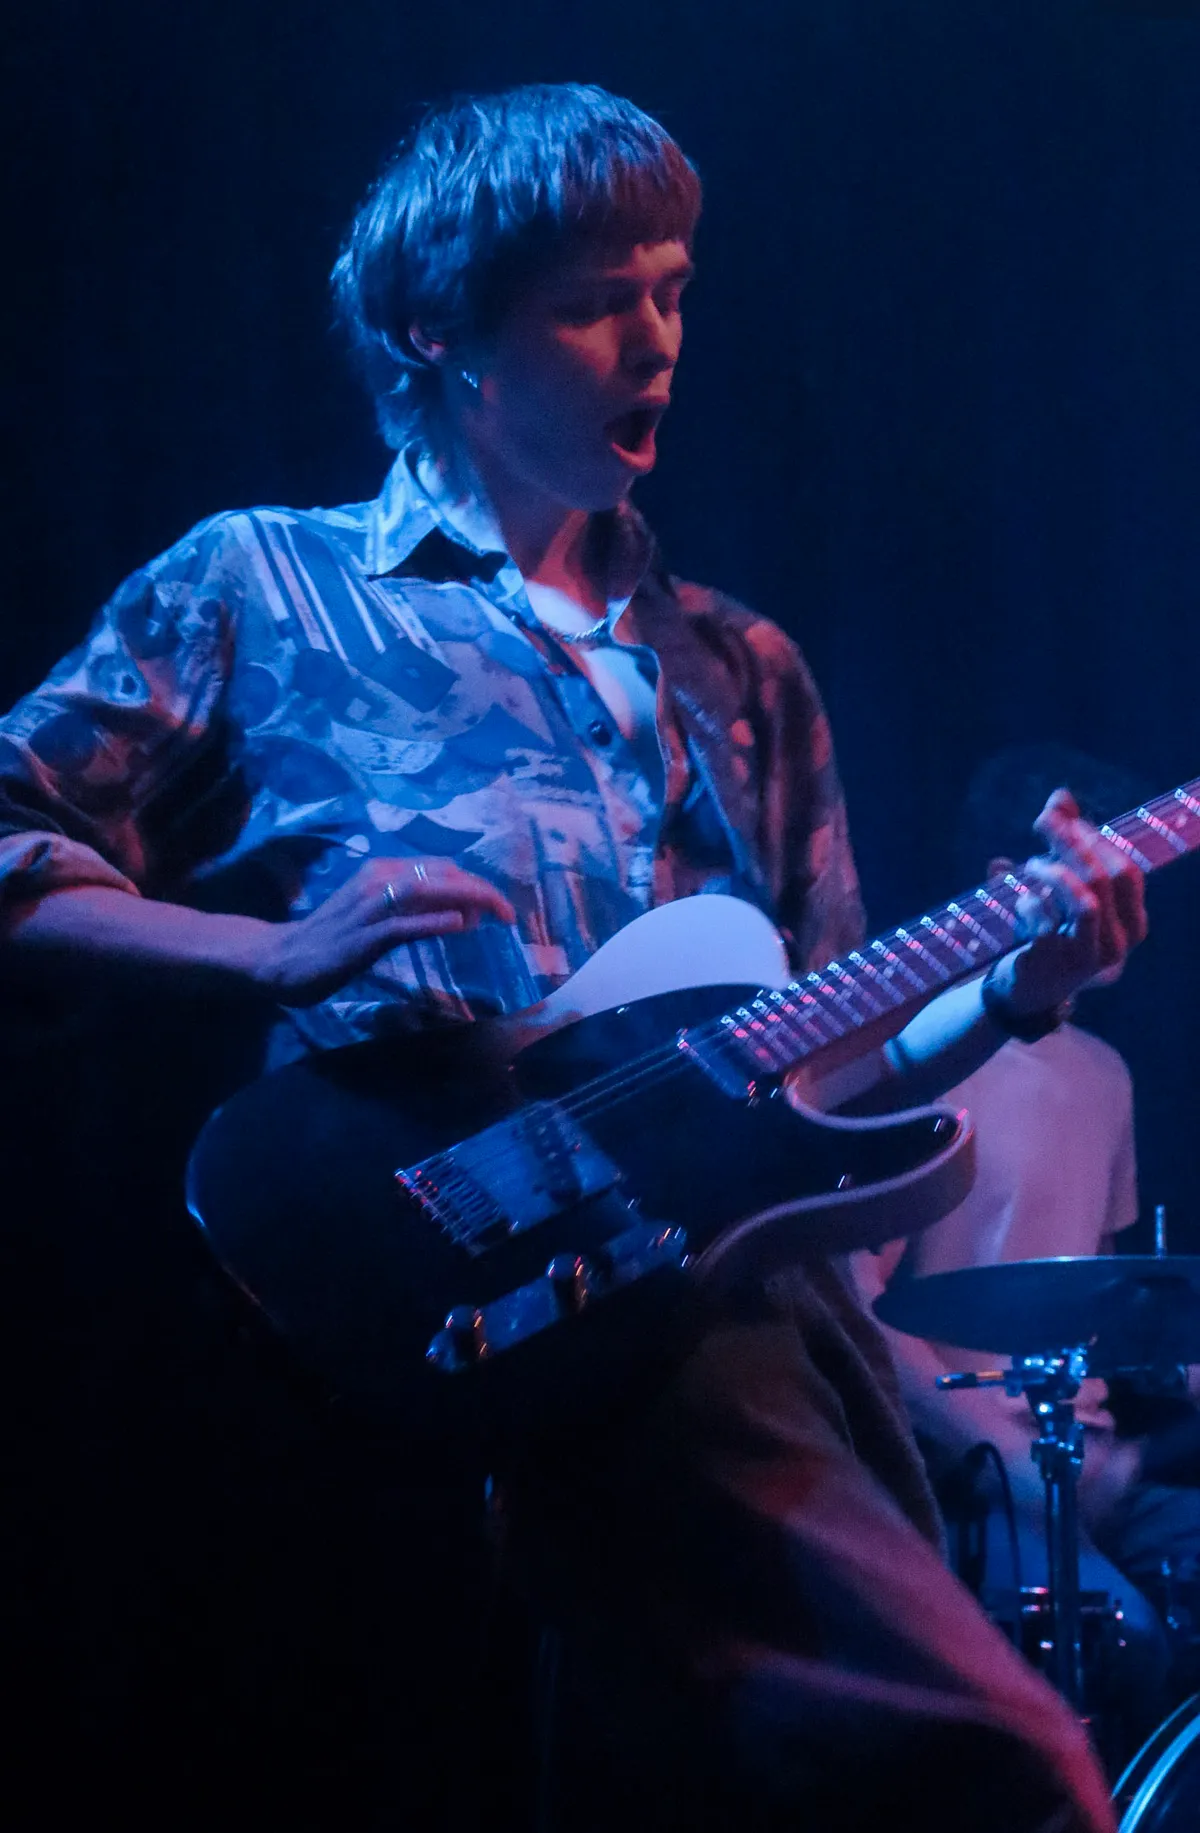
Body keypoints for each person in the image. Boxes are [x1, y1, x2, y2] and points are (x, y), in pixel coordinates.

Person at [0, 85, 1147, 1831]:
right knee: (1001, 1769)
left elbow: (828, 1078)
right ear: (439, 333)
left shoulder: (742, 669)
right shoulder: (264, 587)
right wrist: (266, 951)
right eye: (599, 300)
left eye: (675, 290)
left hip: (735, 1329)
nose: (657, 339)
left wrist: (1016, 990)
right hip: (417, 1309)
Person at [855, 745, 1200, 1748]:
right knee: (1124, 1643)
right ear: (1009, 882)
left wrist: (1179, 1370)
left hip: (1100, 1468)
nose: (1124, 894)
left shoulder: (1108, 1074)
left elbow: (1104, 1303)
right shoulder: (924, 1067)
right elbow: (863, 1314)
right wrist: (1007, 1461)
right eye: (1101, 866)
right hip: (968, 1482)